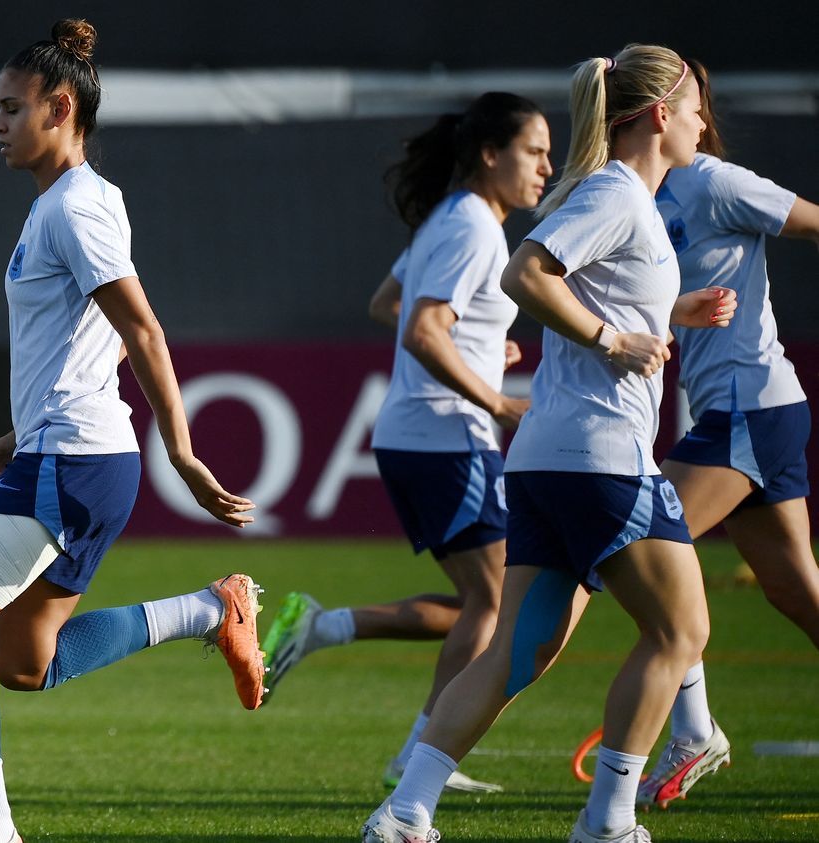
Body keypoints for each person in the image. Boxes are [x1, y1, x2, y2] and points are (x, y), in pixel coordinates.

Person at [361, 44, 737, 843]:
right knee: (679, 634)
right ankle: (609, 820)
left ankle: (404, 811)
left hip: (545, 460)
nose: (707, 122)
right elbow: (528, 273)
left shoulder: (618, 196)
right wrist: (611, 337)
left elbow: (592, 286)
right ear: (662, 116)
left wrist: (668, 316)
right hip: (600, 457)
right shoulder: (617, 193)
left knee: (516, 650)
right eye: (697, 107)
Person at [0, 21, 258, 843]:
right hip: (68, 451)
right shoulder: (71, 203)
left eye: (10, 107)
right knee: (24, 663)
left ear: (59, 107)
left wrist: (180, 448)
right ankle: (211, 609)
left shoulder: (75, 209)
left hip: (74, 459)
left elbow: (142, 330)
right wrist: (16, 433)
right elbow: (83, 345)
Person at [262, 92, 553, 795]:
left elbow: (387, 304)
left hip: (429, 433)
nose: (548, 165)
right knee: (496, 603)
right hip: (446, 434)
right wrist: (495, 396)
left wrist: (480, 347)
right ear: (490, 154)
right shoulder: (474, 227)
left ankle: (322, 628)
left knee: (483, 606)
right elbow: (421, 328)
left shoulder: (451, 220)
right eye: (535, 150)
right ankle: (422, 755)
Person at [635, 60, 819, 809]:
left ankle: (694, 728)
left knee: (635, 543)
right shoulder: (642, 191)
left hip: (752, 409)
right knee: (796, 593)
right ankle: (695, 728)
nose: (694, 119)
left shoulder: (713, 180)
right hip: (738, 414)